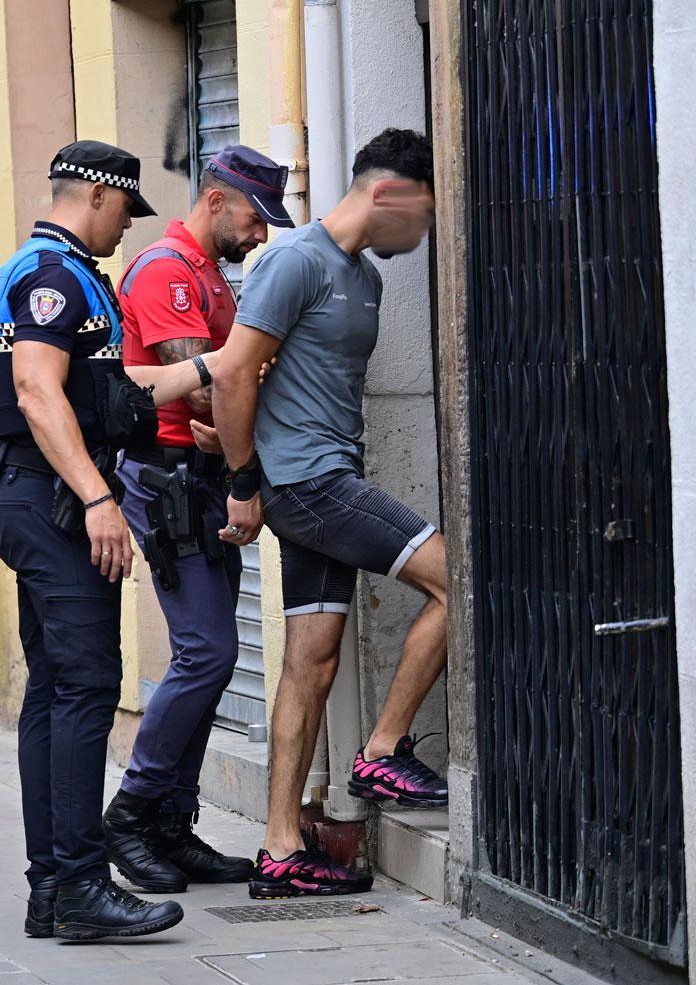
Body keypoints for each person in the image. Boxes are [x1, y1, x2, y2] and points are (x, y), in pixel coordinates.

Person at [0, 142, 236, 942]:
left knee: (57, 690)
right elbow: (35, 388)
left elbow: (119, 394)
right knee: (87, 686)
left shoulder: (52, 270)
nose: (129, 226)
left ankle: (54, 890)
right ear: (96, 194)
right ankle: (83, 886)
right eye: (126, 208)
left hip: (34, 494)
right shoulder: (55, 276)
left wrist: (217, 366)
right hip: (52, 498)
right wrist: (96, 498)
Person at [211, 128, 446, 899]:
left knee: (309, 665)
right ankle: (382, 749)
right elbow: (234, 373)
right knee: (460, 581)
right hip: (307, 485)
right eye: (422, 214)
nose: (423, 232)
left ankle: (280, 848)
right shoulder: (293, 259)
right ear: (387, 194)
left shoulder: (361, 278)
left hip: (323, 478)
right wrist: (245, 482)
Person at [101, 145, 293, 894]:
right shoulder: (166, 271)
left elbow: (236, 383)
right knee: (206, 654)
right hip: (170, 481)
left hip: (204, 479)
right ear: (216, 200)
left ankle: (173, 829)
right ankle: (133, 815)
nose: (261, 236)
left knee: (211, 659)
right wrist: (238, 400)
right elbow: (210, 392)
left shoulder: (209, 275)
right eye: (254, 217)